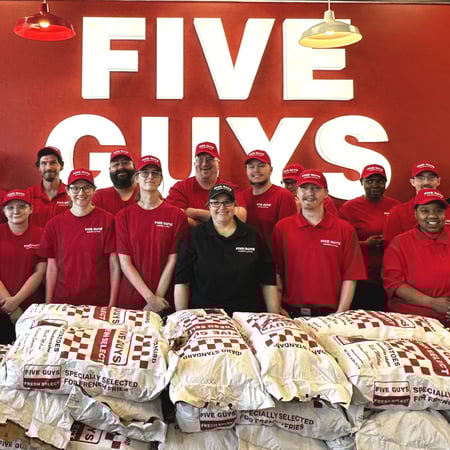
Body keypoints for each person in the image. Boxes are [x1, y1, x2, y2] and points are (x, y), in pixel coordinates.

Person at [174, 183, 279, 316]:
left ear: (235, 205)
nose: (222, 207)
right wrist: (181, 318)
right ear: (209, 206)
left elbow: (268, 280)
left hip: (246, 316)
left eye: (227, 202)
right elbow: (182, 282)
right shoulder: (195, 237)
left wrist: (274, 316)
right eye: (216, 203)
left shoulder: (252, 235)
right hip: (205, 315)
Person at [272, 170, 366, 317]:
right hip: (290, 312)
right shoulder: (282, 228)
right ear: (297, 192)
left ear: (326, 193)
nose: (310, 193)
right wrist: (277, 307)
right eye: (304, 188)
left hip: (330, 314)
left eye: (316, 188)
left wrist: (341, 312)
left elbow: (351, 275)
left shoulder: (345, 229)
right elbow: (276, 272)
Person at [116, 155, 189, 313]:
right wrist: (150, 298)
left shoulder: (176, 215)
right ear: (136, 178)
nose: (150, 176)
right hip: (131, 299)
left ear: (161, 179)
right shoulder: (123, 216)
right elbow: (125, 263)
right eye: (145, 172)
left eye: (155, 173)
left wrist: (157, 300)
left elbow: (173, 260)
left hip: (164, 301)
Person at [38, 169, 120, 307]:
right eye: (75, 188)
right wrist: (48, 304)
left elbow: (114, 266)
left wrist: (112, 305)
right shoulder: (54, 224)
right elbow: (51, 268)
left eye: (86, 187)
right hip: (63, 302)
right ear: (68, 191)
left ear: (94, 190)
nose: (81, 193)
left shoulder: (107, 220)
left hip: (99, 302)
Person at [384, 189, 450, 324]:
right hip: (408, 319)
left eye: (438, 210)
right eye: (425, 211)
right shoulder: (399, 243)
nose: (432, 216)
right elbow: (394, 284)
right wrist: (432, 303)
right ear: (415, 214)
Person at [339, 164, 400, 310]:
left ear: (385, 183)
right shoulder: (349, 208)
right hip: (363, 277)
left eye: (379, 181)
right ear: (361, 183)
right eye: (369, 181)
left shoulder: (395, 206)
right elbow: (341, 242)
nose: (375, 185)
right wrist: (365, 244)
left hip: (391, 276)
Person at [0, 190, 46, 344]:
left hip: (31, 309)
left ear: (31, 209)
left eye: (21, 206)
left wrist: (17, 300)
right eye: (10, 207)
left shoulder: (41, 234)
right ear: (4, 211)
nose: (16, 211)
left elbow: (39, 272)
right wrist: (10, 305)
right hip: (2, 308)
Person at [166, 142, 247, 226]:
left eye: (209, 159)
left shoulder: (230, 189)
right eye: (200, 159)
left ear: (218, 164)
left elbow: (240, 219)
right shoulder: (180, 188)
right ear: (194, 164)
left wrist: (195, 213)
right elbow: (171, 217)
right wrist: (217, 221)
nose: (204, 164)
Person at [242, 150, 296, 247]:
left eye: (261, 166)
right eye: (251, 166)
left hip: (273, 260)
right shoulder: (242, 196)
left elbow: (288, 237)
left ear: (271, 170)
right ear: (246, 170)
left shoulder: (283, 196)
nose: (256, 170)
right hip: (247, 259)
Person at [384, 161, 447, 243]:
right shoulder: (398, 212)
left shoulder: (448, 209)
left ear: (438, 181)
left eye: (431, 178)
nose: (426, 182)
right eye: (420, 178)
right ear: (412, 182)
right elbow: (390, 247)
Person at [26, 146, 69, 227]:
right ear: (38, 167)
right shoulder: (28, 194)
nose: (48, 167)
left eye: (53, 163)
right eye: (43, 163)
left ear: (61, 166)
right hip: (36, 240)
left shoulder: (72, 194)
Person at [93, 148, 139, 215]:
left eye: (126, 163)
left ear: (134, 167)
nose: (121, 167)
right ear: (110, 169)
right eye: (116, 164)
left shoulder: (149, 194)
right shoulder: (99, 197)